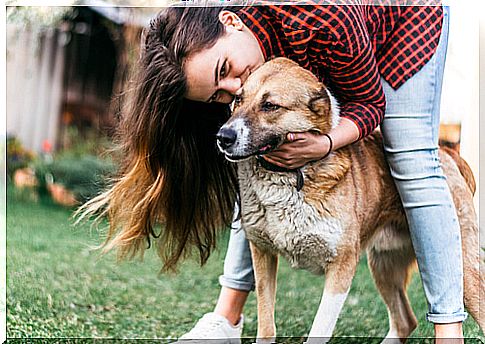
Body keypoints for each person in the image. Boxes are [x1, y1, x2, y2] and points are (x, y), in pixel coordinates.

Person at [79, 2, 466, 342]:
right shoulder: (226, 37)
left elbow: (368, 103)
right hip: (333, 41)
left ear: (230, 21)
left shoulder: (324, 17)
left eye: (226, 69)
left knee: (411, 159)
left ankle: (448, 330)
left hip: (404, 28)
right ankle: (226, 318)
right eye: (219, 94)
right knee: (253, 160)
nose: (234, 87)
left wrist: (325, 143)